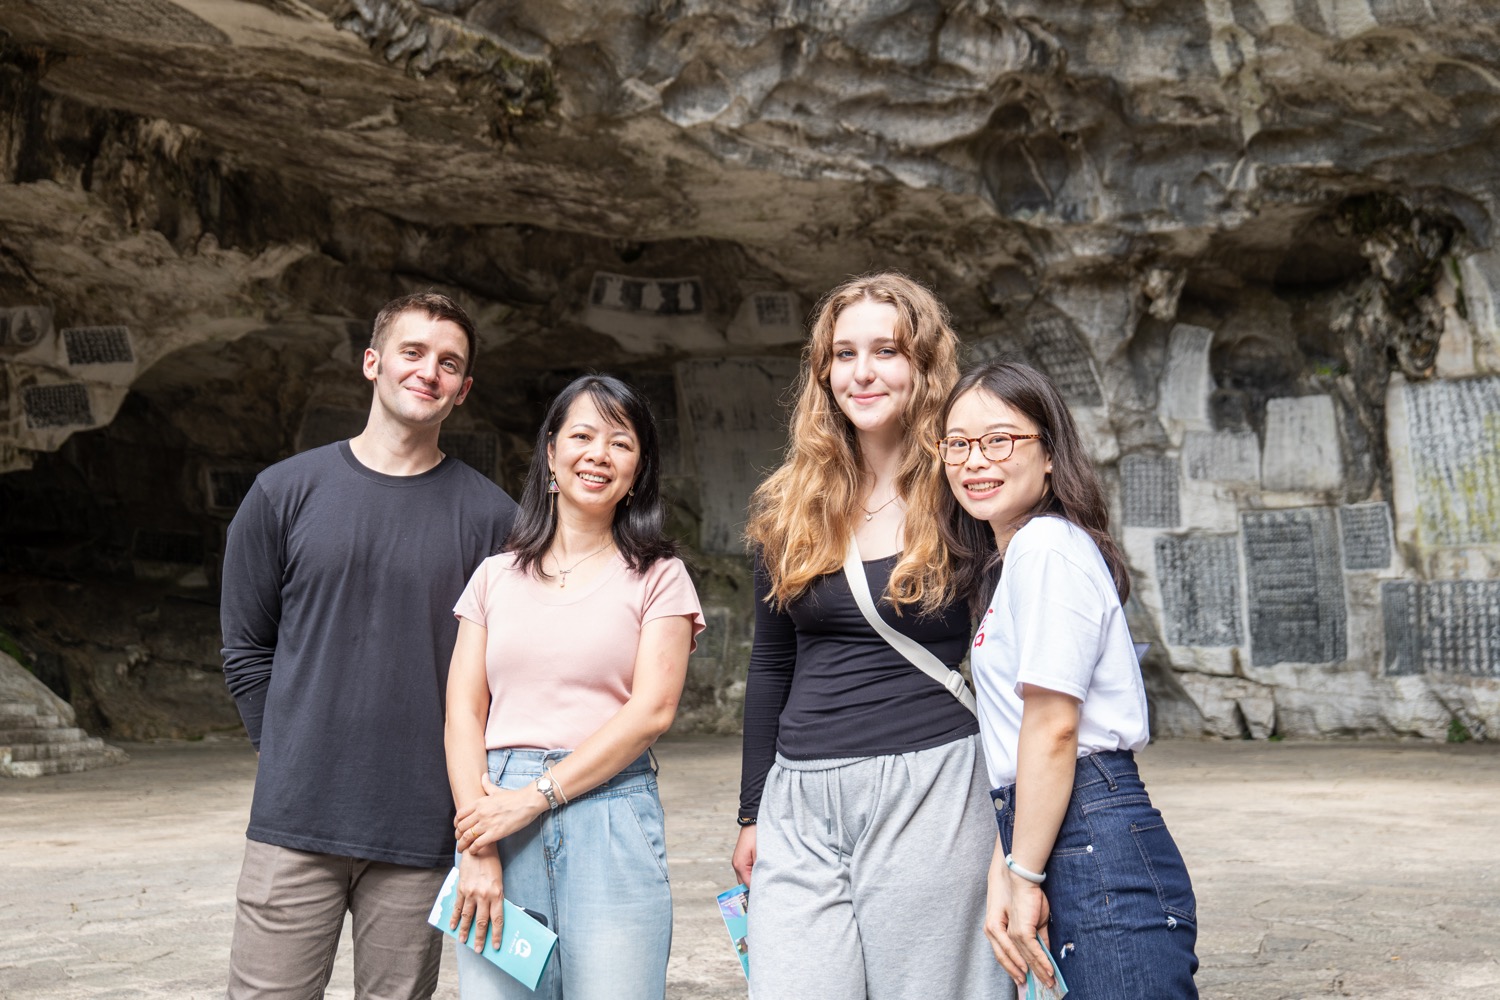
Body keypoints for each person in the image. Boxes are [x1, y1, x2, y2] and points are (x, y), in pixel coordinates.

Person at [220, 292, 518, 999]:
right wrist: (294, 752)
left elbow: (503, 680)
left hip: (419, 830)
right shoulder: (283, 493)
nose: (429, 372)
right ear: (373, 362)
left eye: (449, 363)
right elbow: (245, 648)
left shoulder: (493, 519)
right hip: (294, 823)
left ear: (464, 390)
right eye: (413, 353)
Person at [732, 272, 1012, 999]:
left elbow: (1019, 656)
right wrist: (752, 810)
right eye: (844, 353)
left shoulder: (966, 497)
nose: (863, 372)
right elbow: (771, 668)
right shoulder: (790, 504)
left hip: (931, 788)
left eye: (886, 351)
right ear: (823, 371)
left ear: (923, 367)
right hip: (800, 794)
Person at [937, 359, 1199, 998]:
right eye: (958, 444)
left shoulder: (1048, 547)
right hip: (1060, 826)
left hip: (1093, 832)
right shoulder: (1017, 559)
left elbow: (1053, 728)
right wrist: (1009, 865)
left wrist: (1023, 873)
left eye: (1000, 439)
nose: (976, 460)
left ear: (1050, 453)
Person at [443, 374, 704, 1000]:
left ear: (637, 471)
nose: (599, 454)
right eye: (582, 436)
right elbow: (462, 713)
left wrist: (536, 797)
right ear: (552, 455)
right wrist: (476, 846)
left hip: (610, 810)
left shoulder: (660, 576)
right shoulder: (493, 577)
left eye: (621, 443)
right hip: (496, 810)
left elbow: (651, 712)